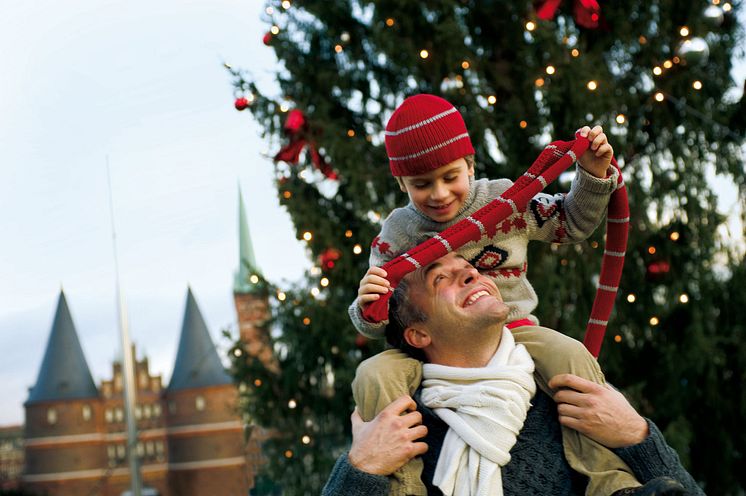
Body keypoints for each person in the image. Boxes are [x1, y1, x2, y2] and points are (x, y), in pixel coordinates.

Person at [348, 93, 636, 495]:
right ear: (401, 183)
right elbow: (377, 313)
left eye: (450, 176)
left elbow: (571, 224)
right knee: (375, 374)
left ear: (469, 164)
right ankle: (401, 486)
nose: (439, 193)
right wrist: (367, 306)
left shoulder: (507, 200)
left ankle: (613, 484)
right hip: (436, 343)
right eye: (421, 184)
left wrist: (591, 176)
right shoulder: (398, 233)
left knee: (573, 357)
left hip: (515, 328)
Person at [325, 253, 702, 495]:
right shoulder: (398, 430)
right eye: (441, 279)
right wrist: (361, 468)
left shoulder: (576, 401)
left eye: (469, 268)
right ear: (418, 334)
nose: (471, 274)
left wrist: (637, 436)